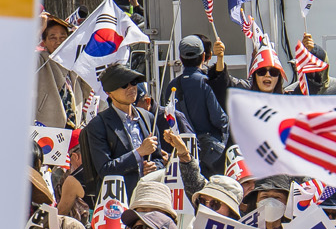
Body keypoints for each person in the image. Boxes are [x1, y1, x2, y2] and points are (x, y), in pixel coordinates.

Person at [81, 61, 173, 197]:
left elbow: (158, 158)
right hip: (117, 200)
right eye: (124, 85)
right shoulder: (98, 124)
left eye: (134, 83)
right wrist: (139, 153)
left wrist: (154, 166)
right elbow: (105, 169)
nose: (131, 88)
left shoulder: (148, 117)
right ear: (109, 93)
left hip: (148, 194)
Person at [163, 36, 231, 175]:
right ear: (203, 56)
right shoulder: (206, 83)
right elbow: (218, 119)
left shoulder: (172, 86)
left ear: (181, 59)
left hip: (182, 153)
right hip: (209, 155)